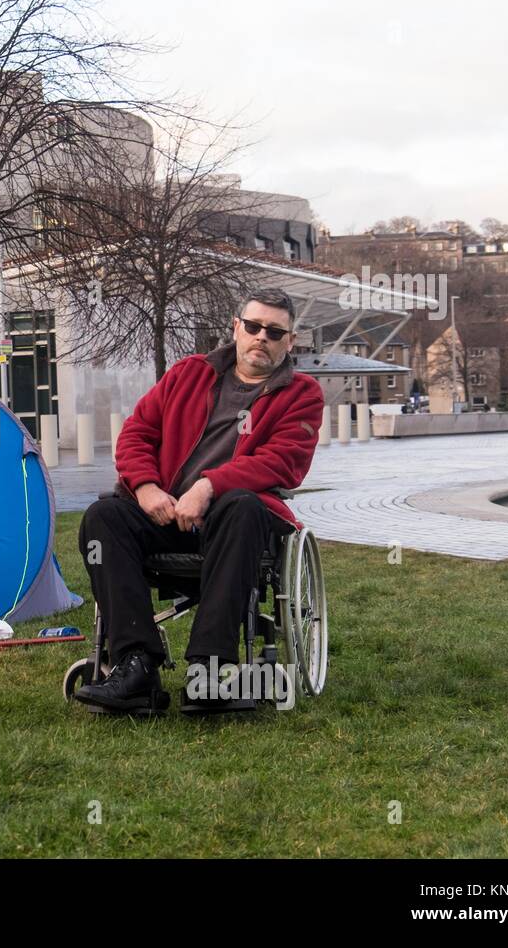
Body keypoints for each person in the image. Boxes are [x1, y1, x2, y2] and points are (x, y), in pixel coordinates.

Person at [75, 288, 325, 714]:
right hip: (164, 514)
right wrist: (145, 486)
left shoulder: (302, 394)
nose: (261, 337)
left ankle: (207, 669)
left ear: (290, 340)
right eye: (253, 326)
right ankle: (136, 666)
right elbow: (137, 433)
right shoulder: (189, 374)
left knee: (244, 505)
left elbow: (284, 462)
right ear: (236, 327)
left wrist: (209, 486)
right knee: (103, 517)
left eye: (274, 331)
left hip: (233, 525)